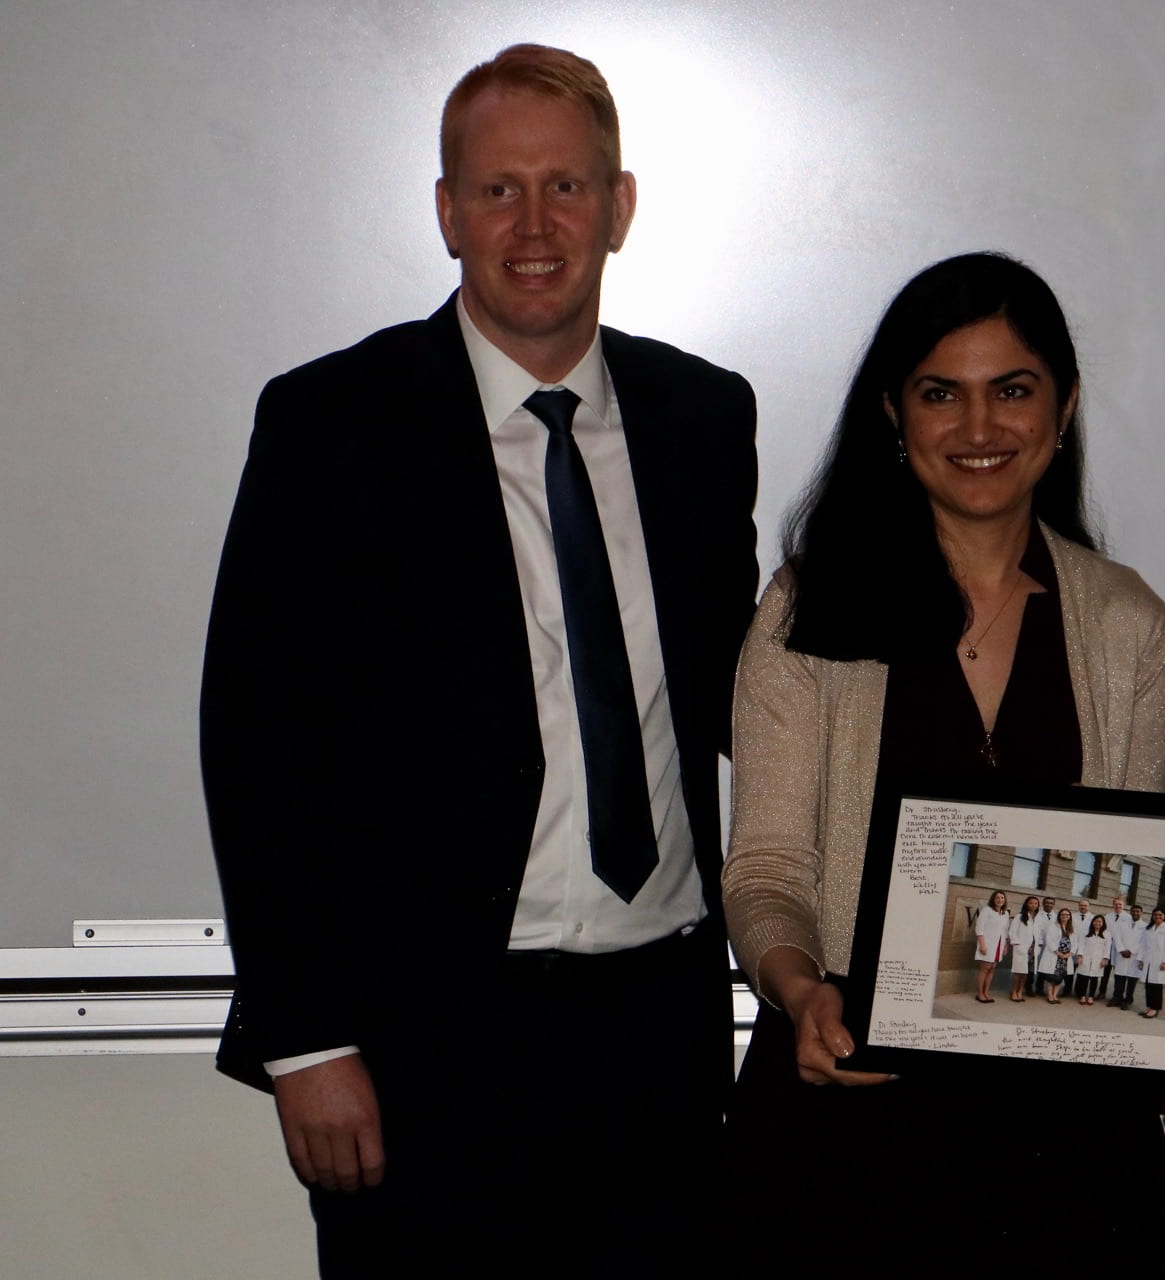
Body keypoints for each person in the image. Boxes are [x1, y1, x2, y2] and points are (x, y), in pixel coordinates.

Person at [198, 44, 757, 1277]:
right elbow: (256, 745)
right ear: (447, 214)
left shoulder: (704, 422)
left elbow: (753, 700)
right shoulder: (331, 423)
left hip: (659, 1041)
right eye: (498, 190)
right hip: (422, 1051)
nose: (536, 224)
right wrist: (305, 1041)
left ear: (620, 206)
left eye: (567, 186)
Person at [720, 251, 1165, 1274]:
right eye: (943, 394)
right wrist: (800, 990)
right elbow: (764, 870)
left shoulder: (1126, 622)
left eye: (1012, 391)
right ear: (895, 412)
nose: (980, 430)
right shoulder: (804, 612)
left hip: (1063, 1139)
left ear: (1061, 408)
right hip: (848, 1106)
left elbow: (1123, 904)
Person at [1138, 907, 1165, 1019]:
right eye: (1155, 915)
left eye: (1160, 915)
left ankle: (1155, 1008)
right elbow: (1143, 945)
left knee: (1156, 985)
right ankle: (1149, 1006)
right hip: (1148, 960)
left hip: (1159, 961)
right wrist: (1141, 960)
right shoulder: (1148, 928)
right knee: (1148, 985)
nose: (1158, 917)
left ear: (1164, 916)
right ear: (1152, 916)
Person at [975, 889, 1012, 1002]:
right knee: (985, 968)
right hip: (988, 944)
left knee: (992, 968)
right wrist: (982, 945)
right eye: (997, 898)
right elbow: (979, 928)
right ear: (993, 899)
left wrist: (1005, 945)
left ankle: (986, 993)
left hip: (999, 945)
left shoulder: (1005, 914)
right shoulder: (987, 911)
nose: (1000, 900)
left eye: (1002, 898)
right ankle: (979, 993)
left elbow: (1005, 931)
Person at [1108, 903, 1145, 1009]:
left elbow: (1143, 942)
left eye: (1138, 911)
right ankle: (1117, 998)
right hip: (1121, 954)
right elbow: (1117, 937)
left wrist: (1131, 951)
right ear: (1130, 912)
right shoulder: (1122, 923)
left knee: (1132, 980)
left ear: (1141, 913)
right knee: (1119, 977)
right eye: (1133, 911)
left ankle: (1128, 1000)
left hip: (1134, 957)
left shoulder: (1145, 926)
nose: (1135, 913)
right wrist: (1122, 950)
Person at [1009, 894, 1044, 1002]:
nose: (1033, 905)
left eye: (1036, 903)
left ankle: (1020, 992)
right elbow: (1012, 932)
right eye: (1031, 903)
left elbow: (1040, 933)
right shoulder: (1020, 916)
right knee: (1018, 972)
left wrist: (1040, 944)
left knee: (1026, 972)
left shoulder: (1038, 918)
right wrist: (1017, 945)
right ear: (1026, 904)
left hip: (1033, 949)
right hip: (1022, 948)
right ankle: (1014, 992)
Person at [1039, 906, 1076, 1004]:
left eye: (1067, 915)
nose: (1065, 916)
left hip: (1066, 957)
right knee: (1051, 977)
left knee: (1060, 977)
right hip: (1054, 955)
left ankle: (1055, 995)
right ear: (1059, 916)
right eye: (1063, 914)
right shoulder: (1053, 926)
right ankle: (1050, 996)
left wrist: (1069, 953)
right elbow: (1049, 939)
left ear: (1070, 917)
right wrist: (1057, 952)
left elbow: (1075, 943)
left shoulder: (1071, 928)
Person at [1097, 894, 1128, 1000]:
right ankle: (1102, 992)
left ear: (1124, 905)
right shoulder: (1107, 916)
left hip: (1121, 950)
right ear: (1113, 905)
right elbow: (1104, 931)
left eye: (1120, 904)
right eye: (1116, 904)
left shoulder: (1128, 918)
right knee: (1105, 972)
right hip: (1108, 948)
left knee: (1119, 974)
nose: (1118, 906)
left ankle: (1117, 995)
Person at [1075, 914, 1110, 1005]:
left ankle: (1090, 996)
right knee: (1084, 977)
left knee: (1094, 978)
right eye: (1096, 921)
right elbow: (1081, 944)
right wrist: (1080, 955)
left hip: (1098, 959)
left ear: (1103, 923)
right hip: (1085, 957)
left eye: (1100, 921)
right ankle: (1082, 996)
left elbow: (1107, 947)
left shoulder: (1106, 933)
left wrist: (1105, 959)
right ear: (1092, 922)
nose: (1097, 923)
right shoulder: (1086, 931)